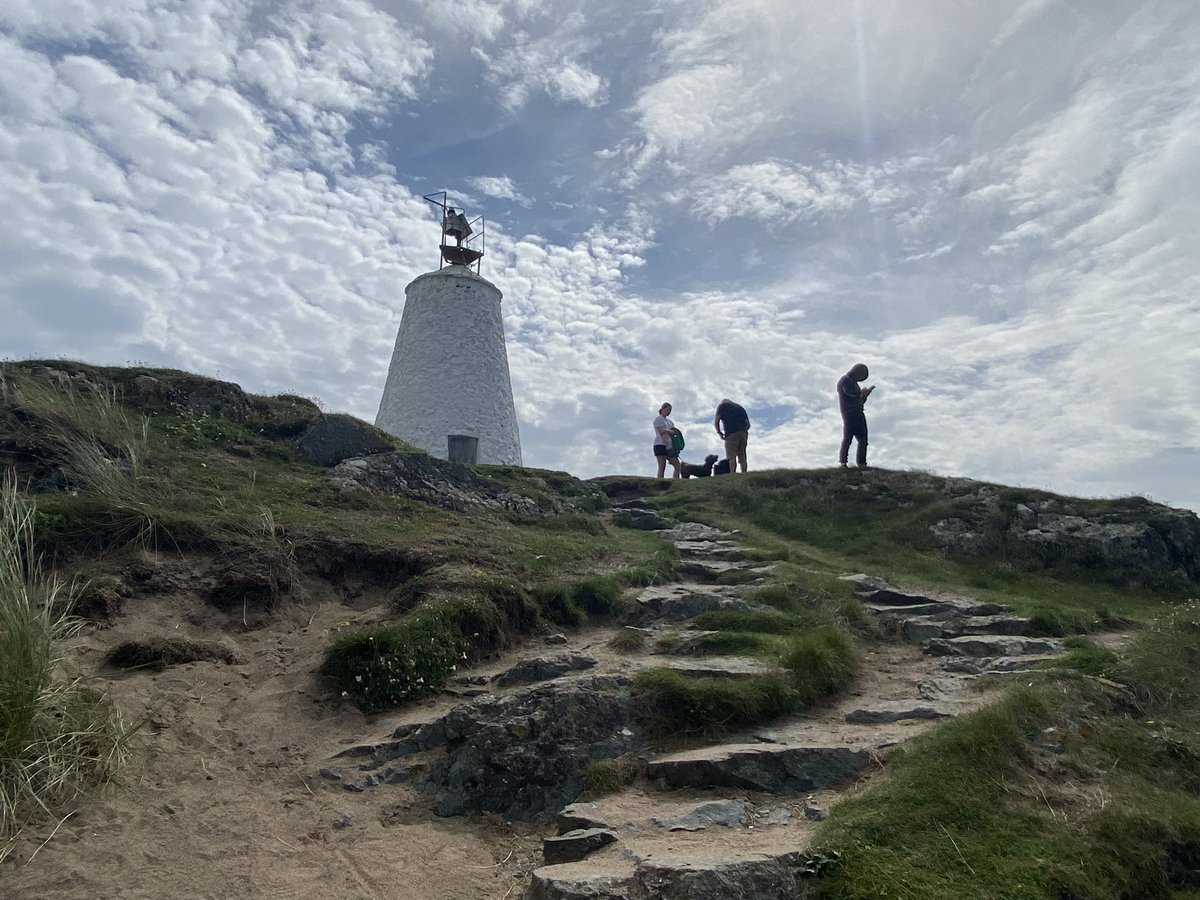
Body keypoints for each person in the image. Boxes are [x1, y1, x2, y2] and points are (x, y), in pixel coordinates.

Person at [837, 363, 875, 469]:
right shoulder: (845, 380)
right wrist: (861, 394)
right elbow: (850, 394)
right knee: (848, 438)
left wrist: (864, 396)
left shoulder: (853, 382)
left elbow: (859, 401)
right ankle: (843, 463)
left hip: (858, 412)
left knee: (863, 439)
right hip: (849, 413)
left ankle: (861, 463)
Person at [713, 398, 750, 474]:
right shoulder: (740, 408)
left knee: (731, 455)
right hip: (743, 433)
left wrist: (720, 433)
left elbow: (716, 421)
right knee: (742, 454)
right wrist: (743, 431)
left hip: (731, 433)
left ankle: (733, 474)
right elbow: (748, 424)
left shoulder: (722, 406)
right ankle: (744, 472)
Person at [652, 402, 682, 479]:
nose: (668, 412)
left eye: (670, 411)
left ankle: (675, 481)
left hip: (670, 445)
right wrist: (669, 432)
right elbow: (662, 432)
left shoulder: (670, 422)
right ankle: (660, 482)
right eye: (667, 410)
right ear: (663, 409)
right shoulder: (658, 419)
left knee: (677, 466)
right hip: (660, 444)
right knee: (662, 466)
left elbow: (673, 433)